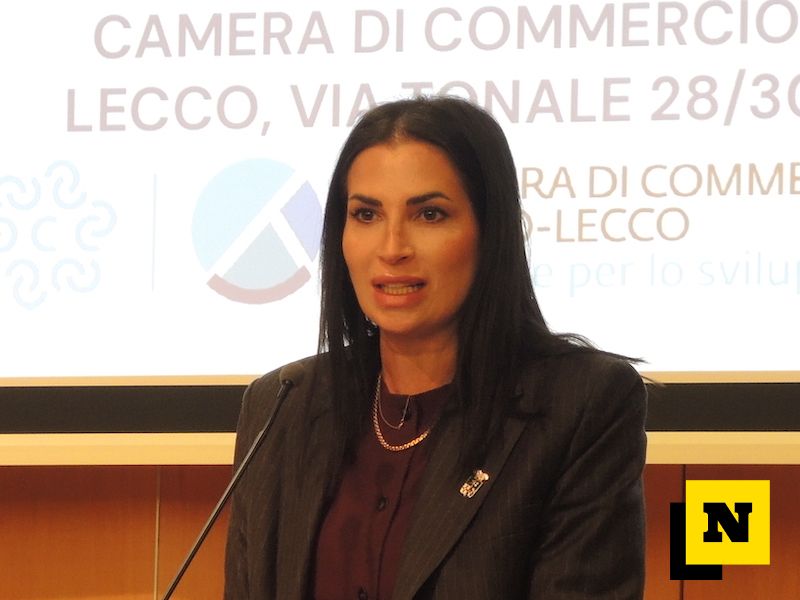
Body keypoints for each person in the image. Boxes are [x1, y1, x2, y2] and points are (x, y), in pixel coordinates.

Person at [224, 96, 647, 599]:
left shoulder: (580, 404)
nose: (392, 248)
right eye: (366, 214)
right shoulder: (282, 406)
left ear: (490, 232)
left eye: (429, 214)